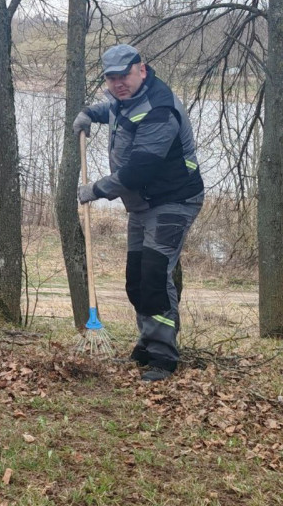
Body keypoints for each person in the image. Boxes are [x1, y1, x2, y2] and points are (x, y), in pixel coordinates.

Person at [73, 44, 204, 382]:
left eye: (124, 76)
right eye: (111, 78)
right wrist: (90, 113)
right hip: (144, 204)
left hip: (174, 201)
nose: (118, 84)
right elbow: (115, 109)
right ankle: (147, 343)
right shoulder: (127, 97)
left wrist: (95, 190)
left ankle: (163, 357)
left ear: (141, 70)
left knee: (155, 275)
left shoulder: (160, 110)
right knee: (136, 279)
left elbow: (138, 171)